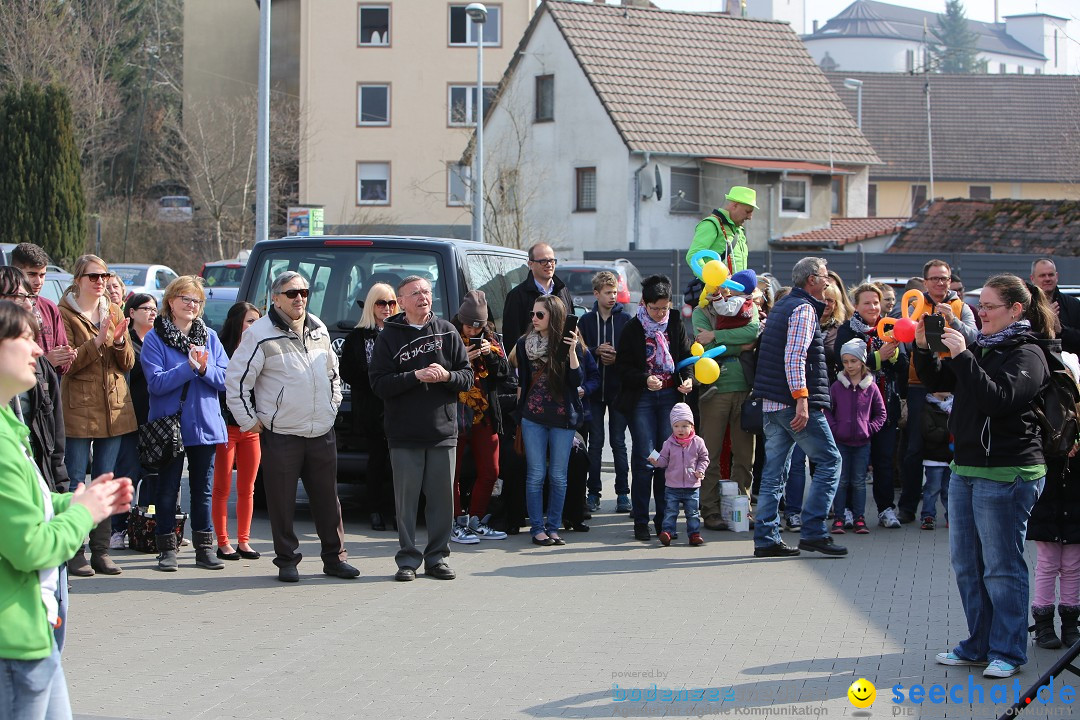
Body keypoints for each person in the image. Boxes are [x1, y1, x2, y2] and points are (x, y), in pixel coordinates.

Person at [915, 273, 1054, 679]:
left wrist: (962, 355)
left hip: (1008, 473)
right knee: (967, 564)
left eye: (990, 306)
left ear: (1016, 310)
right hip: (967, 469)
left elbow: (998, 400)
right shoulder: (984, 346)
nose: (981, 313)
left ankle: (1009, 651)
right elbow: (939, 383)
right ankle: (978, 644)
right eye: (981, 305)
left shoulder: (1028, 353)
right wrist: (925, 349)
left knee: (1002, 566)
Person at [0, 300, 133, 720]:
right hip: (12, 645)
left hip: (32, 636)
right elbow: (29, 548)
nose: (38, 350)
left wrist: (75, 501)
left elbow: (29, 505)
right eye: (25, 339)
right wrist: (84, 513)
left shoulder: (11, 429)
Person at [226, 271, 358, 583]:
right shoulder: (259, 333)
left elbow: (332, 372)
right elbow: (236, 382)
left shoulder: (319, 327)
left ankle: (335, 559)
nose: (299, 297)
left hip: (321, 431)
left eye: (303, 292)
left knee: (328, 500)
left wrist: (332, 404)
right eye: (291, 293)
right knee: (282, 502)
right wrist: (249, 421)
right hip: (282, 434)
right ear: (275, 298)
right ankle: (287, 560)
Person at [369, 275, 472, 581]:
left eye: (426, 292)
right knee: (406, 502)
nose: (423, 297)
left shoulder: (448, 332)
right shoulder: (389, 336)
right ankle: (407, 560)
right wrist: (415, 376)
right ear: (401, 301)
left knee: (442, 502)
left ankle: (437, 558)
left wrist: (446, 377)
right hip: (404, 435)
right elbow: (379, 383)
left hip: (442, 432)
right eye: (415, 293)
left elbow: (467, 377)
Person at [752, 257, 844, 559]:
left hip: (771, 402)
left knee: (773, 472)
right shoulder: (803, 309)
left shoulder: (783, 305)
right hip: (792, 403)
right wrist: (802, 399)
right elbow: (794, 357)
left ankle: (766, 537)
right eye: (823, 275)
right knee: (830, 461)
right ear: (811, 280)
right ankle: (814, 531)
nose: (828, 280)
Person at [141, 277, 228, 572]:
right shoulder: (155, 339)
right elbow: (156, 384)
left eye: (196, 301)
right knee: (166, 490)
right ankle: (167, 549)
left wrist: (203, 367)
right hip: (170, 426)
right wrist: (188, 367)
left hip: (204, 424)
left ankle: (204, 548)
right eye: (185, 299)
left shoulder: (211, 338)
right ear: (171, 301)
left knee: (203, 490)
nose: (191, 305)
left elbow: (225, 379)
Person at [58, 255, 135, 577]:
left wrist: (118, 342)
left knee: (106, 480)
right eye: (93, 276)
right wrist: (98, 341)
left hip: (114, 409)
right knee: (76, 481)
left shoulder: (113, 310)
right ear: (78, 279)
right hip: (78, 409)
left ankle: (101, 551)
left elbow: (128, 362)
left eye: (103, 275)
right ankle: (75, 552)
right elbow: (67, 365)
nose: (100, 281)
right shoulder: (64, 314)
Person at [897, 259, 979, 524]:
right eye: (934, 279)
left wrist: (952, 320)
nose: (940, 283)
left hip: (955, 383)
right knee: (914, 448)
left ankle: (954, 508)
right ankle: (908, 506)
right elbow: (904, 340)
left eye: (944, 278)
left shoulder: (961, 307)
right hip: (920, 382)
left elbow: (974, 337)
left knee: (954, 446)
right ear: (925, 282)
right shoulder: (913, 306)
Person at [616, 275, 693, 542]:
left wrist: (687, 379)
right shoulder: (632, 328)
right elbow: (622, 368)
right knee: (645, 459)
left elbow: (684, 356)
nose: (660, 313)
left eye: (664, 307)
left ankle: (664, 521)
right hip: (643, 399)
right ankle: (640, 521)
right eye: (655, 308)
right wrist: (644, 379)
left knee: (666, 460)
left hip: (670, 396)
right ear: (644, 304)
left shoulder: (674, 321)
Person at [832, 282, 908, 529]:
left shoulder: (892, 329)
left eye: (876, 302)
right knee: (853, 466)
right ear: (856, 305)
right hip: (854, 413)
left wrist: (894, 355)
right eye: (867, 302)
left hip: (884, 408)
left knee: (885, 461)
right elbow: (842, 364)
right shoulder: (847, 330)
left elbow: (903, 366)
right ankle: (850, 511)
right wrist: (878, 357)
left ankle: (886, 509)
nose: (873, 307)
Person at [512, 294, 582, 547]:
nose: (534, 319)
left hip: (563, 417)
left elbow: (577, 381)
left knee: (558, 476)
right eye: (532, 314)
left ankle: (553, 527)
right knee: (535, 474)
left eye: (540, 314)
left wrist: (572, 352)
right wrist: (519, 415)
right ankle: (537, 529)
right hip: (533, 416)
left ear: (554, 316)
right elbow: (521, 382)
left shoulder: (567, 341)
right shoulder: (524, 344)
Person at [692, 268, 759, 531]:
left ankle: (742, 507)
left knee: (745, 454)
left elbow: (752, 334)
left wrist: (718, 337)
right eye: (711, 286)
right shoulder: (702, 312)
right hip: (714, 390)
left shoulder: (745, 306)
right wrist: (737, 345)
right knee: (711, 452)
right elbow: (704, 346)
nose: (717, 290)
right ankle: (710, 509)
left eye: (721, 285)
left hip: (745, 389)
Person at [450, 290, 509, 542]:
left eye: (478, 328)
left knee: (491, 470)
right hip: (456, 414)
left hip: (485, 415)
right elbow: (440, 373)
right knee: (451, 472)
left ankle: (475, 518)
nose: (473, 332)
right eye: (468, 326)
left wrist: (490, 355)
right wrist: (463, 357)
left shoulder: (492, 339)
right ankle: (455, 521)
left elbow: (505, 373)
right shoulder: (448, 338)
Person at [339, 283, 397, 532]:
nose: (387, 308)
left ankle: (398, 511)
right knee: (376, 460)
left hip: (399, 406)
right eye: (381, 303)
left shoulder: (402, 332)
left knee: (399, 463)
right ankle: (375, 510)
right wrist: (375, 380)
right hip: (371, 408)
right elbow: (347, 371)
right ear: (371, 306)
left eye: (391, 303)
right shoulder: (357, 337)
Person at [211, 302, 263, 561]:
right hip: (225, 427)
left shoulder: (261, 348)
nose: (256, 326)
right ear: (237, 323)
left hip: (251, 427)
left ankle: (244, 541)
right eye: (250, 321)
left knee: (248, 487)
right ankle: (223, 542)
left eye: (258, 321)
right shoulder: (221, 349)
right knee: (222, 488)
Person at [578, 271, 631, 513]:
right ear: (596, 294)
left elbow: (634, 355)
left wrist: (617, 357)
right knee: (596, 442)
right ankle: (593, 493)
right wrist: (595, 351)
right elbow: (579, 351)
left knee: (619, 442)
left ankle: (622, 493)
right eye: (608, 292)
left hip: (619, 391)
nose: (612, 297)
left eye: (615, 292)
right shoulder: (586, 322)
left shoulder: (625, 320)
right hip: (594, 392)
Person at [825, 339, 885, 535]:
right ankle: (839, 519)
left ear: (862, 362)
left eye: (853, 361)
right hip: (841, 442)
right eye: (846, 361)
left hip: (862, 442)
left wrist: (868, 429)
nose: (849, 366)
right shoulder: (836, 386)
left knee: (859, 481)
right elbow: (827, 411)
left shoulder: (871, 387)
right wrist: (835, 429)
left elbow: (881, 414)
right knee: (841, 481)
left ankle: (860, 518)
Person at [111, 293, 157, 549]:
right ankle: (118, 527)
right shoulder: (125, 342)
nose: (152, 312)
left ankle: (149, 522)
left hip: (155, 423)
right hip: (129, 421)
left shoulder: (161, 341)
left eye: (154, 308)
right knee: (127, 476)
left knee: (152, 479)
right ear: (131, 313)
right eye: (145, 308)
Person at [649, 403, 709, 547]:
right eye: (676, 426)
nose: (680, 430)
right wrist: (656, 461)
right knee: (670, 511)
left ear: (692, 427)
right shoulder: (668, 443)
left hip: (692, 485)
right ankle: (667, 533)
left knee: (693, 513)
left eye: (684, 426)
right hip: (672, 485)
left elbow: (704, 458)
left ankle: (694, 534)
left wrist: (700, 470)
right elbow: (664, 461)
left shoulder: (698, 442)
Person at [10, 243, 73, 374]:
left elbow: (63, 366)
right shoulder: (6, 310)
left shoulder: (50, 308)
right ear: (16, 271)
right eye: (32, 274)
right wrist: (46, 362)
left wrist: (67, 357)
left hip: (48, 391)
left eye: (42, 275)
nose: (39, 281)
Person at [500, 242, 574, 352]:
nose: (549, 265)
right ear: (530, 264)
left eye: (552, 260)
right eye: (543, 261)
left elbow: (570, 326)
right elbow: (511, 336)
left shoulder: (563, 290)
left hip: (561, 361)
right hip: (531, 363)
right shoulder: (517, 295)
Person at [686, 186, 755, 275]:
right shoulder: (711, 224)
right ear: (735, 205)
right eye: (747, 211)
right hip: (715, 288)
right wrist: (715, 279)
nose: (750, 217)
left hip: (735, 288)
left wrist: (754, 280)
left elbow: (737, 268)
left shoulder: (739, 230)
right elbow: (693, 257)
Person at [1031, 257, 1080, 354]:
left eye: (1051, 275)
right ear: (1032, 279)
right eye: (1042, 275)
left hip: (1068, 365)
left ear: (1056, 276)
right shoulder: (1024, 306)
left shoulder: (1074, 304)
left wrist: (1061, 330)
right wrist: (1044, 323)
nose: (1047, 279)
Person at [919, 391, 953, 530]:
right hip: (933, 457)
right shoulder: (928, 407)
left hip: (951, 457)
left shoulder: (954, 405)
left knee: (949, 490)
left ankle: (952, 517)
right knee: (932, 489)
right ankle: (928, 516)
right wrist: (948, 434)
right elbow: (928, 431)